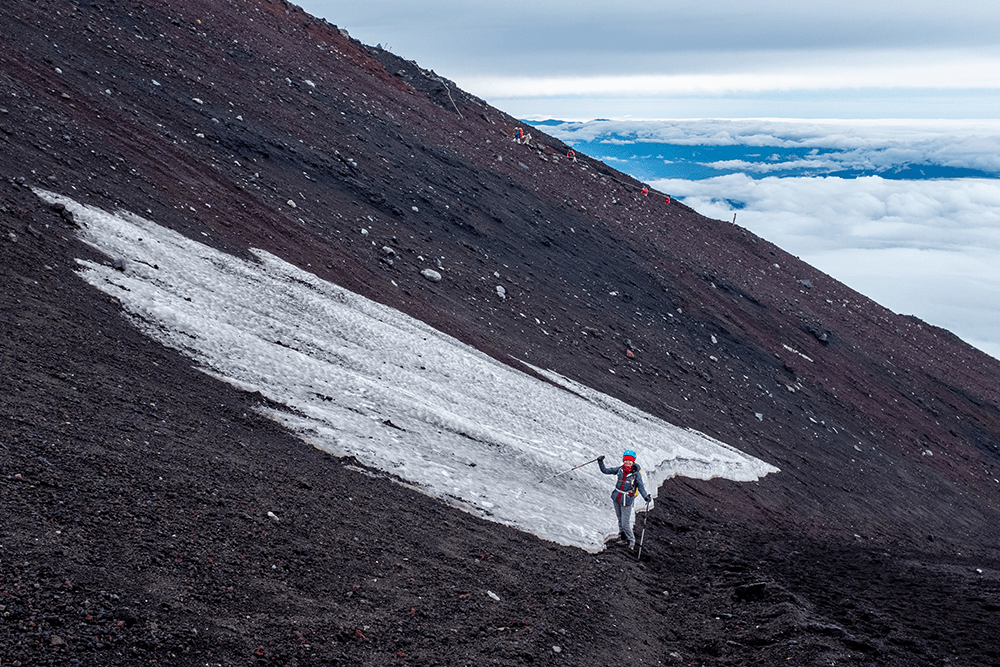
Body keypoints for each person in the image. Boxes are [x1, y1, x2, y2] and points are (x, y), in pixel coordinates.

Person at [598, 450, 651, 549]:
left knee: (625, 523)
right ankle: (622, 538)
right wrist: (600, 462)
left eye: (630, 461)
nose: (628, 462)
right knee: (619, 519)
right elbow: (605, 471)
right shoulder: (620, 470)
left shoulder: (636, 474)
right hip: (617, 497)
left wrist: (645, 497)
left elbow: (640, 486)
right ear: (623, 460)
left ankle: (631, 541)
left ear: (633, 462)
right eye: (626, 460)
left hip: (627, 500)